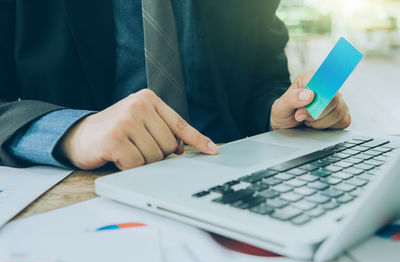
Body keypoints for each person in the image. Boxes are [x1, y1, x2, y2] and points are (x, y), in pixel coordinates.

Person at [0, 0, 351, 170]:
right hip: (86, 187)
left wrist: (279, 114)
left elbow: (262, 78)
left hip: (230, 174)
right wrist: (70, 132)